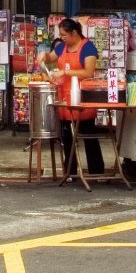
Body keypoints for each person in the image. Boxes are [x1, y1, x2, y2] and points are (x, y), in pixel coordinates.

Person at [39, 17, 106, 177]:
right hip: (65, 97)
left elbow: (88, 72)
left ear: (74, 33)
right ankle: (70, 172)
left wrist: (65, 72)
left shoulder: (87, 48)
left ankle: (97, 171)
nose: (61, 38)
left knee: (88, 135)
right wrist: (43, 56)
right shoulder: (62, 47)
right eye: (60, 35)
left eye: (64, 34)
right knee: (67, 137)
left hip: (83, 98)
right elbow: (51, 58)